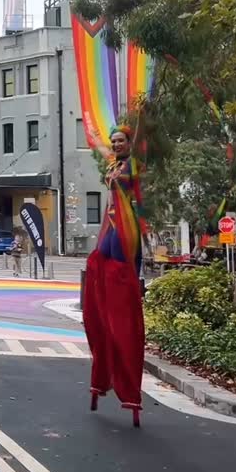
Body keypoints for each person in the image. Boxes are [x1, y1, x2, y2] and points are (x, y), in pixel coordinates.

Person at [82, 122, 147, 428]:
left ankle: (125, 382)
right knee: (98, 275)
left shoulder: (132, 165)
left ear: (130, 142)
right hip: (109, 229)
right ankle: (101, 370)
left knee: (119, 295)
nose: (116, 144)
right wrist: (99, 142)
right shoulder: (116, 164)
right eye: (113, 141)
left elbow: (128, 181)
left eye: (120, 140)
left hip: (125, 230)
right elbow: (107, 159)